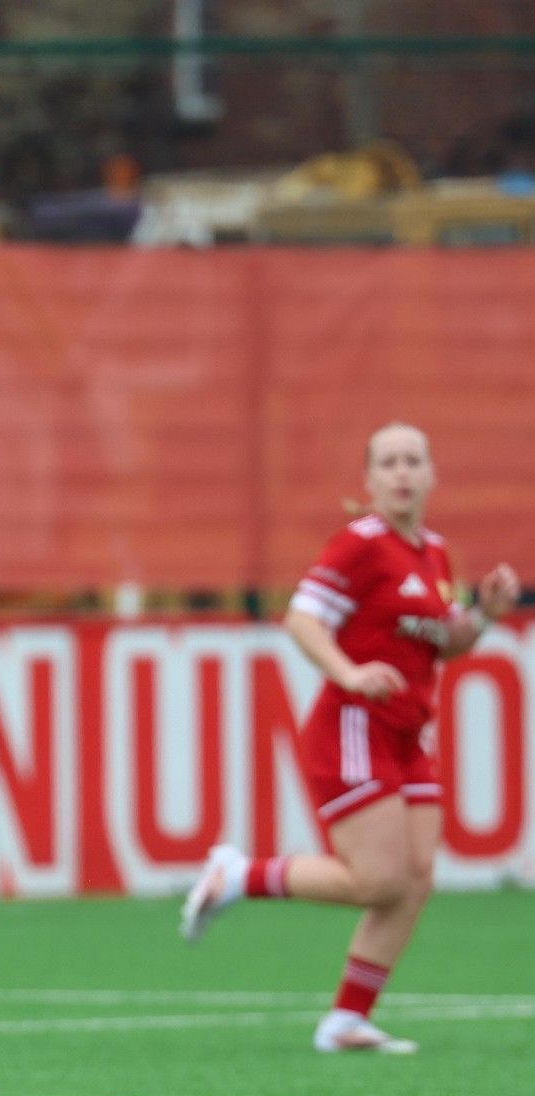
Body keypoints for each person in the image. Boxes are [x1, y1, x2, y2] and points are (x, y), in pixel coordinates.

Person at [180, 423, 520, 1052]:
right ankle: (239, 875)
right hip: (354, 728)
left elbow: (446, 641)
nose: (401, 473)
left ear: (431, 476)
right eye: (388, 462)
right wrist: (349, 672)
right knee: (376, 880)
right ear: (367, 481)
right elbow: (302, 618)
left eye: (413, 461)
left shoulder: (433, 553)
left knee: (416, 879)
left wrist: (484, 616)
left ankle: (346, 1019)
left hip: (407, 736)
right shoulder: (361, 544)